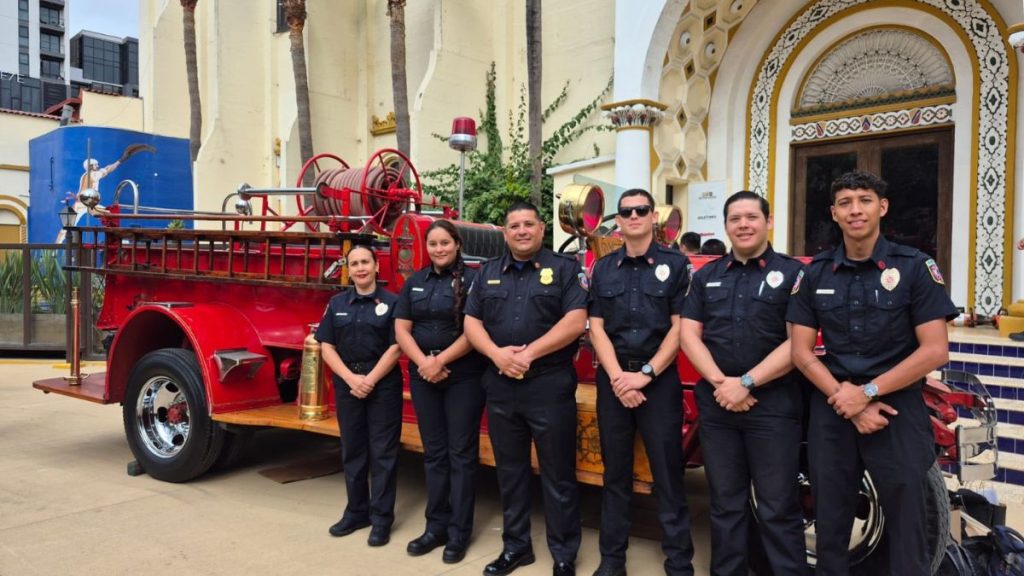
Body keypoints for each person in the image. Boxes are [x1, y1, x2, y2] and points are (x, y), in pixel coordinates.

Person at [787, 171, 957, 575]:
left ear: (882, 207)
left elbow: (935, 350)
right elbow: (800, 351)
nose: (855, 209)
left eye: (864, 200)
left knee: (908, 523)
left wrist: (867, 393)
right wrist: (846, 398)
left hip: (896, 408)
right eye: (845, 202)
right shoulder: (815, 273)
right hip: (833, 407)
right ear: (834, 213)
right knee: (830, 520)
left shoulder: (915, 267)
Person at [679, 191, 807, 575]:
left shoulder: (793, 274)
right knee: (726, 505)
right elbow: (689, 335)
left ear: (768, 222)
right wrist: (723, 384)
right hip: (719, 406)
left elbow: (796, 342)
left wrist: (747, 383)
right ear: (726, 226)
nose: (743, 225)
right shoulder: (707, 276)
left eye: (752, 217)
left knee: (777, 507)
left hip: (773, 406)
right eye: (735, 219)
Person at [464, 200, 588, 576]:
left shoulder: (565, 270)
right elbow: (471, 322)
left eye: (528, 224)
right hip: (502, 386)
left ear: (541, 229)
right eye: (514, 225)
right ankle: (516, 548)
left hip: (549, 385)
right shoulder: (486, 273)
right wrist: (498, 356)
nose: (521, 231)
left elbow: (575, 320)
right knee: (510, 472)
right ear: (505, 232)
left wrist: (527, 354)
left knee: (558, 473)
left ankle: (564, 553)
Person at [588, 189, 695, 576]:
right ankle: (612, 561)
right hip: (614, 379)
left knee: (668, 473)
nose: (634, 216)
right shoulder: (603, 268)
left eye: (642, 210)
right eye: (626, 211)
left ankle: (679, 561)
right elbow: (595, 327)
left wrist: (645, 375)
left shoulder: (677, 265)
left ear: (654, 217)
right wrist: (619, 377)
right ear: (618, 221)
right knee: (614, 474)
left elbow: (680, 328)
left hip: (659, 380)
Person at [394, 220, 486, 564]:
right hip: (424, 377)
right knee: (434, 453)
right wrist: (423, 363)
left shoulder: (475, 281)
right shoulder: (415, 282)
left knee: (461, 454)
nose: (439, 249)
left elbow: (476, 329)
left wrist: (441, 360)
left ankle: (459, 533)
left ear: (457, 244)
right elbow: (402, 328)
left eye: (445, 243)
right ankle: (436, 527)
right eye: (433, 244)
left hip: (464, 377)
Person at [316, 244, 403, 547]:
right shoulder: (337, 302)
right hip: (348, 382)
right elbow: (326, 345)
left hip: (383, 384)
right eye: (354, 263)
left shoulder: (393, 302)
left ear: (377, 266)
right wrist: (351, 378)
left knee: (383, 453)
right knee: (353, 451)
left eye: (366, 262)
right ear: (348, 269)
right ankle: (356, 512)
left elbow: (396, 346)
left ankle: (381, 519)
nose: (361, 268)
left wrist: (370, 380)